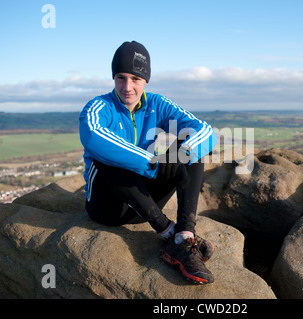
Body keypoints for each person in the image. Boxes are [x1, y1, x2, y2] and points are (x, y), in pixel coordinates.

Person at [79, 41, 217, 284]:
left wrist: (180, 154)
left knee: (189, 149)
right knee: (108, 158)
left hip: (144, 204)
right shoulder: (99, 107)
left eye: (135, 79)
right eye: (121, 77)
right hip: (107, 207)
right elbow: (94, 138)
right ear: (113, 77)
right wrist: (152, 162)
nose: (127, 87)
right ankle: (166, 230)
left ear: (146, 80)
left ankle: (182, 236)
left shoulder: (157, 104)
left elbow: (204, 131)